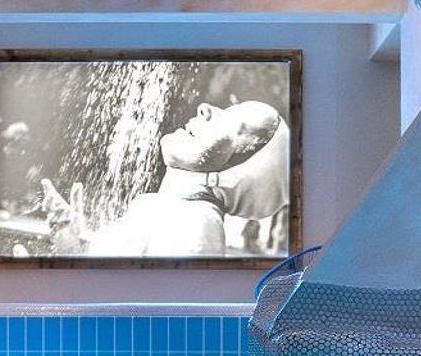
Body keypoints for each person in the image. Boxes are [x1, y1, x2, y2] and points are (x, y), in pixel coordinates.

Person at [51, 100, 288, 259]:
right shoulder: (176, 212)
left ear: (238, 172)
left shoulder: (195, 227)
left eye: (234, 124)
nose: (205, 108)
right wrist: (73, 244)